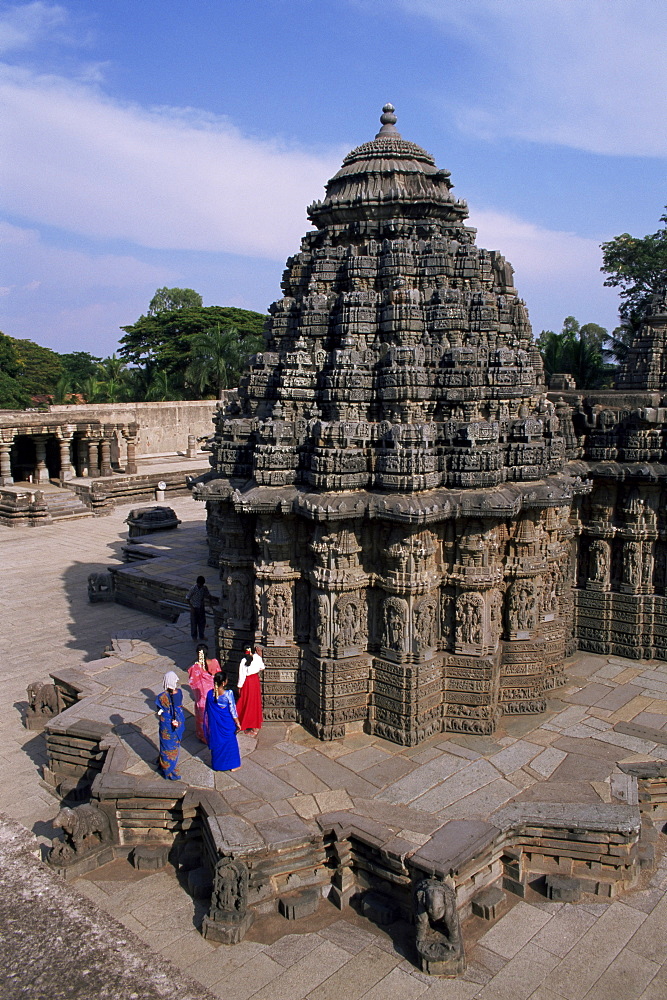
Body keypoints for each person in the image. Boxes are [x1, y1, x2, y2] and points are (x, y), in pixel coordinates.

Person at [204, 671, 241, 771]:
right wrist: (237, 722)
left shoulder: (209, 694)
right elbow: (233, 710)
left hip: (216, 726)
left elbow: (208, 711)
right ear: (224, 682)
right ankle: (234, 765)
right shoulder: (228, 694)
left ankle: (218, 765)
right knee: (231, 744)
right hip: (227, 723)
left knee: (218, 744)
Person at [154, 671, 185, 780]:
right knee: (173, 746)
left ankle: (165, 766)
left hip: (165, 722)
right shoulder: (179, 693)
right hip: (175, 723)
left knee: (165, 744)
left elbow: (158, 709)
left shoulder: (161, 697)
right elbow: (178, 709)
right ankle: (171, 769)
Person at [188, 643, 219, 742]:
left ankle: (203, 736)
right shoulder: (214, 662)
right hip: (214, 693)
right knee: (214, 714)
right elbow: (219, 677)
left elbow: (192, 682)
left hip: (202, 696)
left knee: (202, 716)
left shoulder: (195, 668)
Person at [236, 645, 265, 736]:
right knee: (255, 702)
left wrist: (239, 687)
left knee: (245, 701)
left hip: (247, 682)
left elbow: (242, 675)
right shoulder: (257, 657)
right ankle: (254, 726)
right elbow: (262, 667)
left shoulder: (244, 661)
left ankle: (243, 722)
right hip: (255, 680)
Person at [186, 575, 214, 642]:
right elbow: (187, 598)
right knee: (194, 623)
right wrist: (191, 607)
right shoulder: (193, 588)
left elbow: (208, 595)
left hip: (201, 607)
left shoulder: (204, 588)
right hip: (194, 607)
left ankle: (201, 635)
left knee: (202, 622)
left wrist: (210, 604)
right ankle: (194, 637)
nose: (201, 585)